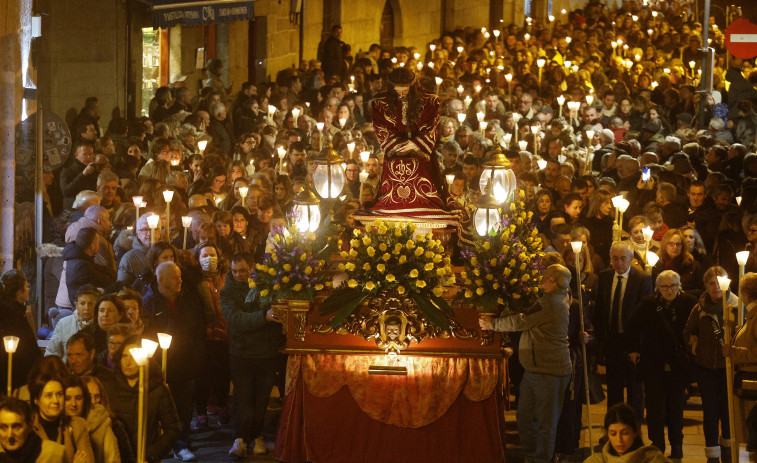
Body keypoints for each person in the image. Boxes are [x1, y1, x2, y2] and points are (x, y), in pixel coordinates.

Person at [480, 264, 573, 463]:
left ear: (553, 281)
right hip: (534, 371)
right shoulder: (551, 299)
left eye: (545, 274)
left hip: (549, 372)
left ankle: (541, 459)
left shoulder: (552, 303)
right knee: (523, 417)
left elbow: (522, 321)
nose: (541, 276)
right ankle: (533, 454)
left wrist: (492, 325)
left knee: (546, 423)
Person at [369, 67, 456, 223]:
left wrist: (414, 144)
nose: (402, 94)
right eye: (398, 91)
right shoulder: (380, 103)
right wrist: (397, 146)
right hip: (395, 154)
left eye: (405, 90)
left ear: (413, 86)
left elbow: (431, 126)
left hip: (421, 155)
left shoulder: (430, 100)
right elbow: (381, 127)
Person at [625, 270, 698, 458]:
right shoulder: (649, 304)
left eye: (673, 285)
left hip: (678, 365)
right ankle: (656, 445)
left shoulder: (689, 303)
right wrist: (633, 350)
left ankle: (677, 445)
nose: (669, 290)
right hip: (654, 364)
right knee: (655, 408)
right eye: (665, 286)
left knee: (676, 407)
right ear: (658, 288)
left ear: (679, 285)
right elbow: (632, 326)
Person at [221, 252, 285, 458]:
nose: (238, 275)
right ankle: (240, 438)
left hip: (266, 353)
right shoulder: (228, 292)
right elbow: (237, 320)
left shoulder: (266, 287)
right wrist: (263, 317)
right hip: (242, 354)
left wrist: (262, 320)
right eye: (235, 271)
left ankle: (255, 436)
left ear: (253, 269)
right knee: (244, 400)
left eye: (243, 271)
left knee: (261, 401)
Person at [142, 262, 206, 461]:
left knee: (184, 408)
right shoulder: (149, 302)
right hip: (161, 366)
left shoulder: (190, 299)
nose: (180, 280)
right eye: (175, 277)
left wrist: (196, 359)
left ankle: (182, 444)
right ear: (161, 280)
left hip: (186, 364)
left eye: (180, 276)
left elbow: (198, 330)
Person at [592, 241, 652, 420]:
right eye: (614, 258)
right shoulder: (604, 277)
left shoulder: (641, 279)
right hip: (612, 342)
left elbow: (645, 316)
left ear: (631, 259)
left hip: (632, 343)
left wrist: (638, 347)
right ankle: (614, 427)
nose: (618, 263)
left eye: (622, 259)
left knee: (635, 389)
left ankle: (634, 430)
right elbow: (600, 310)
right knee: (614, 388)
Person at [684, 266, 738, 463]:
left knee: (727, 412)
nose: (716, 287)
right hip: (706, 369)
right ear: (705, 285)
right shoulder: (699, 308)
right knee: (710, 412)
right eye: (711, 283)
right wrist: (694, 345)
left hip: (728, 369)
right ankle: (712, 455)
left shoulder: (736, 306)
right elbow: (688, 332)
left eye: (719, 282)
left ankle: (727, 450)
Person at [108, 336, 181, 463]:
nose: (128, 362)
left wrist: (151, 453)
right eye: (125, 356)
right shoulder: (110, 386)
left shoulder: (157, 390)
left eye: (133, 356)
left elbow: (173, 429)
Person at [723, 272, 757, 452]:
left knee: (749, 428)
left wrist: (735, 351)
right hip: (746, 382)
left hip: (752, 383)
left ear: (745, 294)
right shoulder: (751, 316)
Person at [29, 375, 95, 463]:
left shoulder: (76, 426)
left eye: (59, 394)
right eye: (49, 396)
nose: (56, 400)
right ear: (36, 400)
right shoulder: (29, 428)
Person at [61, 375, 121, 463]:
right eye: (68, 398)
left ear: (85, 400)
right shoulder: (57, 427)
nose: (73, 404)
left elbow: (112, 460)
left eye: (78, 398)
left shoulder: (101, 425)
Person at [0, 270, 41, 394]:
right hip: (15, 377)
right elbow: (28, 350)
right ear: (19, 293)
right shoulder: (14, 315)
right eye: (26, 287)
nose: (28, 289)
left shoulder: (11, 311)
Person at [585, 403, 670, 462]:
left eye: (625, 433)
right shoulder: (595, 461)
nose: (619, 440)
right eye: (613, 434)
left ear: (635, 432)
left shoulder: (653, 460)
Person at [0, 397, 66, 462]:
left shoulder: (54, 454)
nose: (9, 435)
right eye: (3, 428)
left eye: (16, 427)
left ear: (30, 425)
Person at [45, 285, 99, 358]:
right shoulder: (64, 323)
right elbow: (52, 353)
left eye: (91, 304)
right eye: (82, 303)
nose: (86, 308)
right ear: (76, 305)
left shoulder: (101, 325)